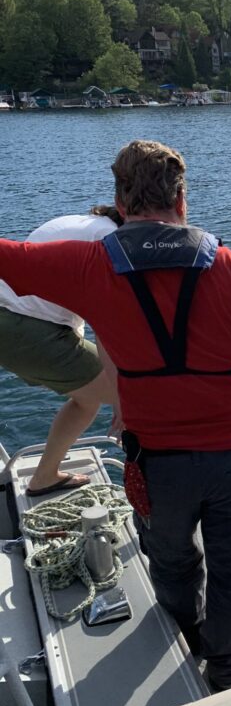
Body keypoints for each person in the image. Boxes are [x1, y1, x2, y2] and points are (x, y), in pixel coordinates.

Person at [0, 139, 231, 691]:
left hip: (157, 460)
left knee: (170, 553)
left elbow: (7, 257)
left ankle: (184, 633)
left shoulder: (86, 264)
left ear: (118, 199)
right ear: (182, 199)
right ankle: (227, 668)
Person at [0, 210, 120, 495]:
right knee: (137, 396)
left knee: (86, 400)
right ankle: (158, 493)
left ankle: (45, 476)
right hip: (30, 330)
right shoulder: (110, 240)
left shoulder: (81, 223)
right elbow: (107, 326)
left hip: (10, 320)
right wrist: (120, 397)